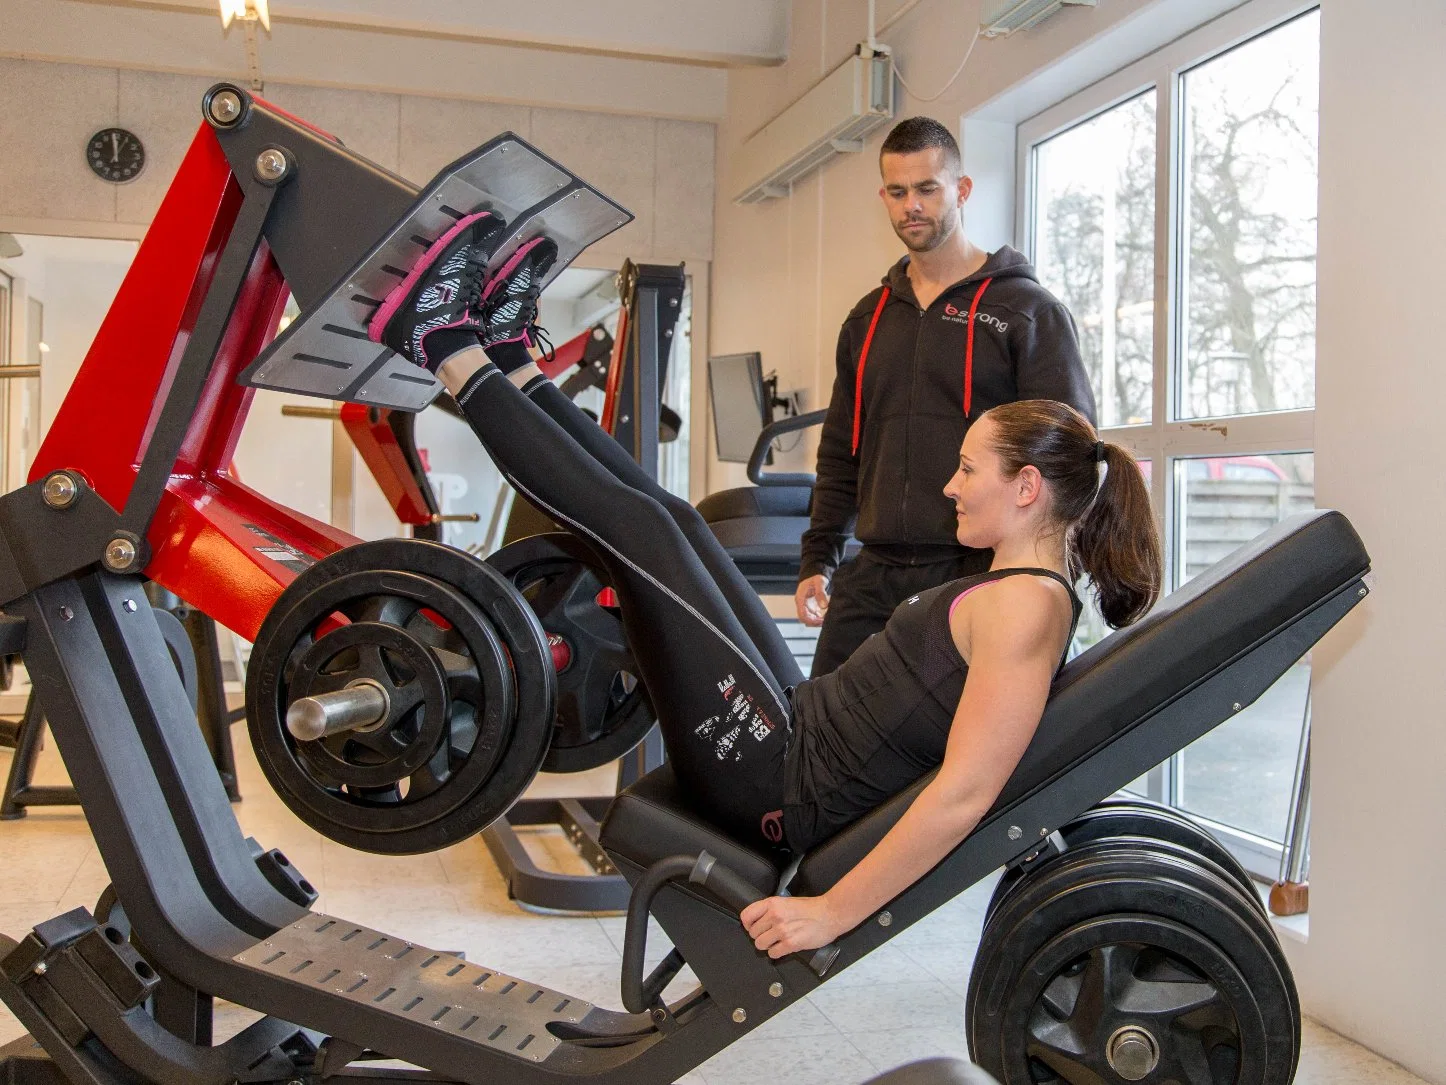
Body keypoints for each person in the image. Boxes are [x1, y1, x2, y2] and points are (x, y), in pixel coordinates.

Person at [366, 213, 1161, 958]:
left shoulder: (1027, 606)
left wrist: (829, 912)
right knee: (671, 518)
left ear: (1027, 489)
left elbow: (965, 793)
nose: (950, 487)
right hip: (789, 724)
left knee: (637, 534)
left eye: (967, 470)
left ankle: (443, 345)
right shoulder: (1022, 580)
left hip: (775, 779)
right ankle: (507, 357)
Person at [796, 116, 1097, 678]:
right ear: (883, 195)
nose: (912, 205)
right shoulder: (867, 319)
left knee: (948, 750)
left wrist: (1044, 577)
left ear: (961, 190)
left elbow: (1068, 455)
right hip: (875, 572)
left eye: (928, 189)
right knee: (822, 731)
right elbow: (841, 450)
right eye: (898, 191)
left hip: (975, 570)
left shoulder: (1025, 312)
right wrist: (818, 556)